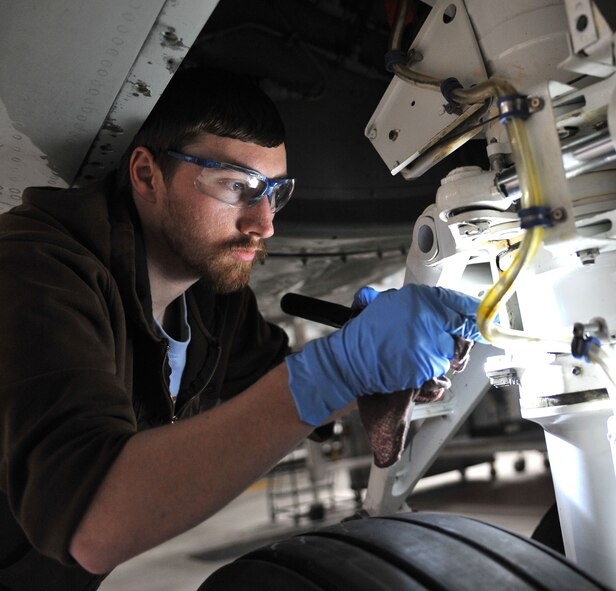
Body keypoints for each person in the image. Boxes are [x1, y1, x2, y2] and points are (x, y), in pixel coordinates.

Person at [0, 67, 483, 590]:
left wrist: (374, 365)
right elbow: (94, 523)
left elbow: (271, 393)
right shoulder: (31, 273)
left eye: (275, 191)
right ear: (145, 175)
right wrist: (342, 367)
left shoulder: (211, 298)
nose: (265, 222)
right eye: (237, 185)